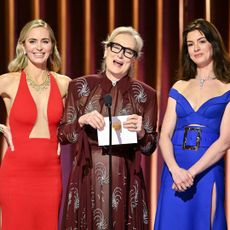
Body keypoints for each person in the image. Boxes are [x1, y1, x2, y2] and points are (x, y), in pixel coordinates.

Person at [58, 26, 158, 229]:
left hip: (127, 180)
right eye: (115, 47)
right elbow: (63, 135)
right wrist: (81, 121)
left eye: (128, 51)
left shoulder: (146, 94)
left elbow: (149, 148)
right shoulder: (80, 87)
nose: (120, 55)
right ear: (105, 50)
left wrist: (141, 133)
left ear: (134, 59)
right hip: (87, 177)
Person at [154, 18, 230, 230]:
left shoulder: (227, 87)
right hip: (174, 169)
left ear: (213, 44)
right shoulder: (179, 86)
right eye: (190, 44)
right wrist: (175, 169)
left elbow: (225, 141)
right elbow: (165, 135)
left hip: (207, 169)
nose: (195, 48)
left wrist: (191, 173)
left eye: (201, 41)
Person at [0, 19, 71, 230]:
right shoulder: (8, 81)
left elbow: (74, 123)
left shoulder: (65, 83)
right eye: (32, 41)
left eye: (45, 41)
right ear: (22, 46)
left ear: (53, 46)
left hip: (50, 176)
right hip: (15, 175)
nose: (39, 47)